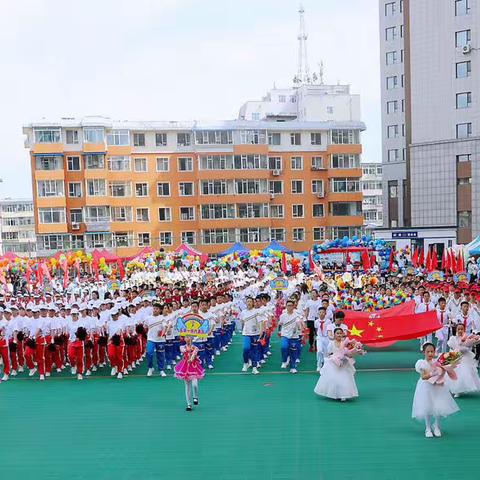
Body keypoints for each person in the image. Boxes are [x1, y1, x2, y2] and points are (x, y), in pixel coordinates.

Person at [412, 342, 460, 438]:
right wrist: (433, 373)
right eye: (428, 352)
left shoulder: (439, 362)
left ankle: (437, 426)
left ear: (435, 352)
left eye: (432, 351)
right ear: (424, 353)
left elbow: (446, 368)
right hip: (426, 387)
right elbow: (424, 377)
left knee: (438, 405)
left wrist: (444, 370)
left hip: (438, 386)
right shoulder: (421, 363)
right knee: (427, 406)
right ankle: (428, 428)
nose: (430, 353)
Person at [314, 327, 360, 402]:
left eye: (340, 333)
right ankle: (334, 394)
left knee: (344, 379)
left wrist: (347, 355)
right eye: (337, 333)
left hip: (344, 363)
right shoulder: (331, 343)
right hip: (334, 363)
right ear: (334, 335)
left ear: (342, 334)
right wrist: (334, 358)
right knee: (334, 379)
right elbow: (329, 353)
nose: (339, 335)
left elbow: (349, 352)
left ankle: (343, 395)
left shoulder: (345, 343)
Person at [445, 324, 480, 397]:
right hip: (455, 357)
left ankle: (459, 390)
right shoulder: (453, 338)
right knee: (453, 373)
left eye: (462, 329)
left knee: (464, 373)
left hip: (465, 357)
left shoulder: (468, 339)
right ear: (456, 330)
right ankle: (453, 388)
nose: (460, 331)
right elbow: (452, 347)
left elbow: (469, 346)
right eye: (459, 329)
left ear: (464, 330)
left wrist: (474, 339)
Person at [174, 336, 205, 411]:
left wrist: (191, 358)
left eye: (189, 337)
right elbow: (183, 351)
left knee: (194, 384)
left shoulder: (195, 348)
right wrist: (188, 350)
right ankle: (189, 404)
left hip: (193, 367)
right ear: (184, 339)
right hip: (185, 367)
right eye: (186, 337)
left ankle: (195, 396)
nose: (188, 339)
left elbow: (194, 355)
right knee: (187, 386)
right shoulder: (182, 347)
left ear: (192, 338)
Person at [278, 299, 305, 374]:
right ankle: (284, 360)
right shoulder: (283, 315)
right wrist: (279, 332)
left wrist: (301, 330)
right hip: (285, 335)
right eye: (288, 306)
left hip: (294, 336)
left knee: (293, 351)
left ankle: (293, 367)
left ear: (293, 306)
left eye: (291, 305)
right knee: (284, 347)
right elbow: (280, 324)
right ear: (286, 306)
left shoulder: (297, 315)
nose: (289, 307)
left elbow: (300, 323)